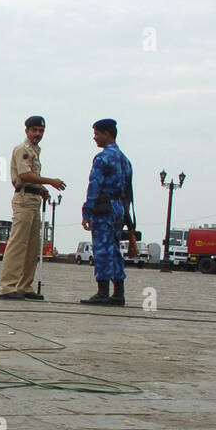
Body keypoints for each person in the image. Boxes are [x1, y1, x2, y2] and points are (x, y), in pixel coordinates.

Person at [0, 116, 66, 300]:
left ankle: (24, 286)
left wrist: (42, 189)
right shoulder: (23, 150)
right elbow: (24, 174)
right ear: (27, 130)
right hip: (23, 199)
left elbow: (32, 176)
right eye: (34, 130)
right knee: (18, 243)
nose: (38, 134)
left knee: (32, 246)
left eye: (41, 131)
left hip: (33, 198)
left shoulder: (35, 151)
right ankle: (7, 286)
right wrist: (50, 182)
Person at [80, 118, 134, 306]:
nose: (95, 138)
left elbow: (95, 185)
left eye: (97, 134)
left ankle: (102, 291)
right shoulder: (125, 160)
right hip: (119, 207)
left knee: (102, 248)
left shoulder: (102, 158)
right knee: (114, 249)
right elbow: (128, 191)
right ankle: (119, 292)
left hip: (103, 207)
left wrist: (87, 210)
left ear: (107, 134)